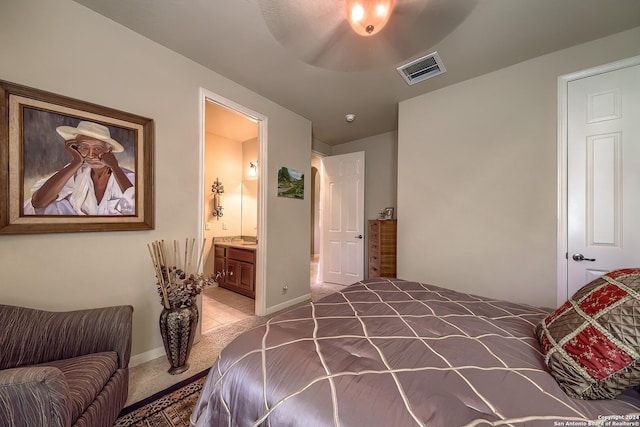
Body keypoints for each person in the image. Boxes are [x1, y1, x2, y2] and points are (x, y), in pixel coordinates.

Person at [24, 121, 135, 215]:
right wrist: (76, 161)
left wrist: (115, 167)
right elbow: (38, 202)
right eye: (84, 147)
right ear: (76, 148)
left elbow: (137, 208)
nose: (91, 154)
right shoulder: (78, 172)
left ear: (109, 150)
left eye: (97, 148)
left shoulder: (129, 177)